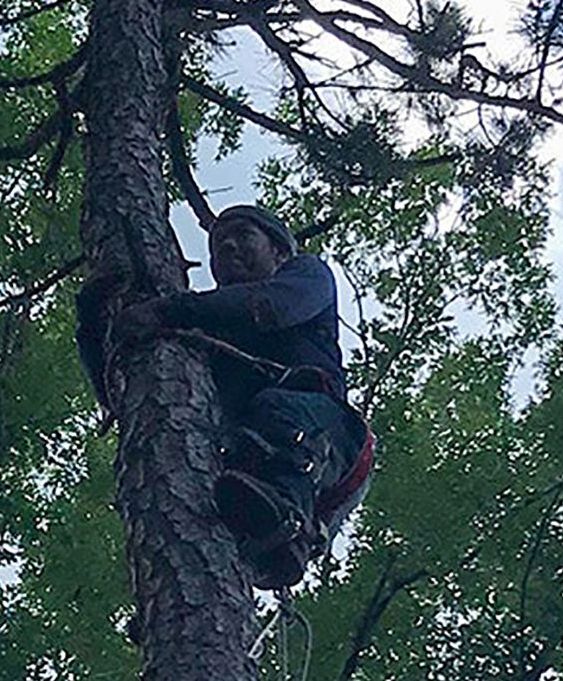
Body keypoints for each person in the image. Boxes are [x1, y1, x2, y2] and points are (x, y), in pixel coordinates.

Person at [76, 204, 369, 589]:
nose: (228, 247)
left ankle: (286, 522)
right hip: (265, 446)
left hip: (321, 429)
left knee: (274, 412)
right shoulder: (212, 331)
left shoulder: (304, 275)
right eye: (217, 246)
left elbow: (272, 307)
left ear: (279, 251)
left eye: (244, 236)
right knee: (231, 467)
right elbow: (124, 395)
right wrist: (94, 326)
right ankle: (186, 582)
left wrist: (167, 310)